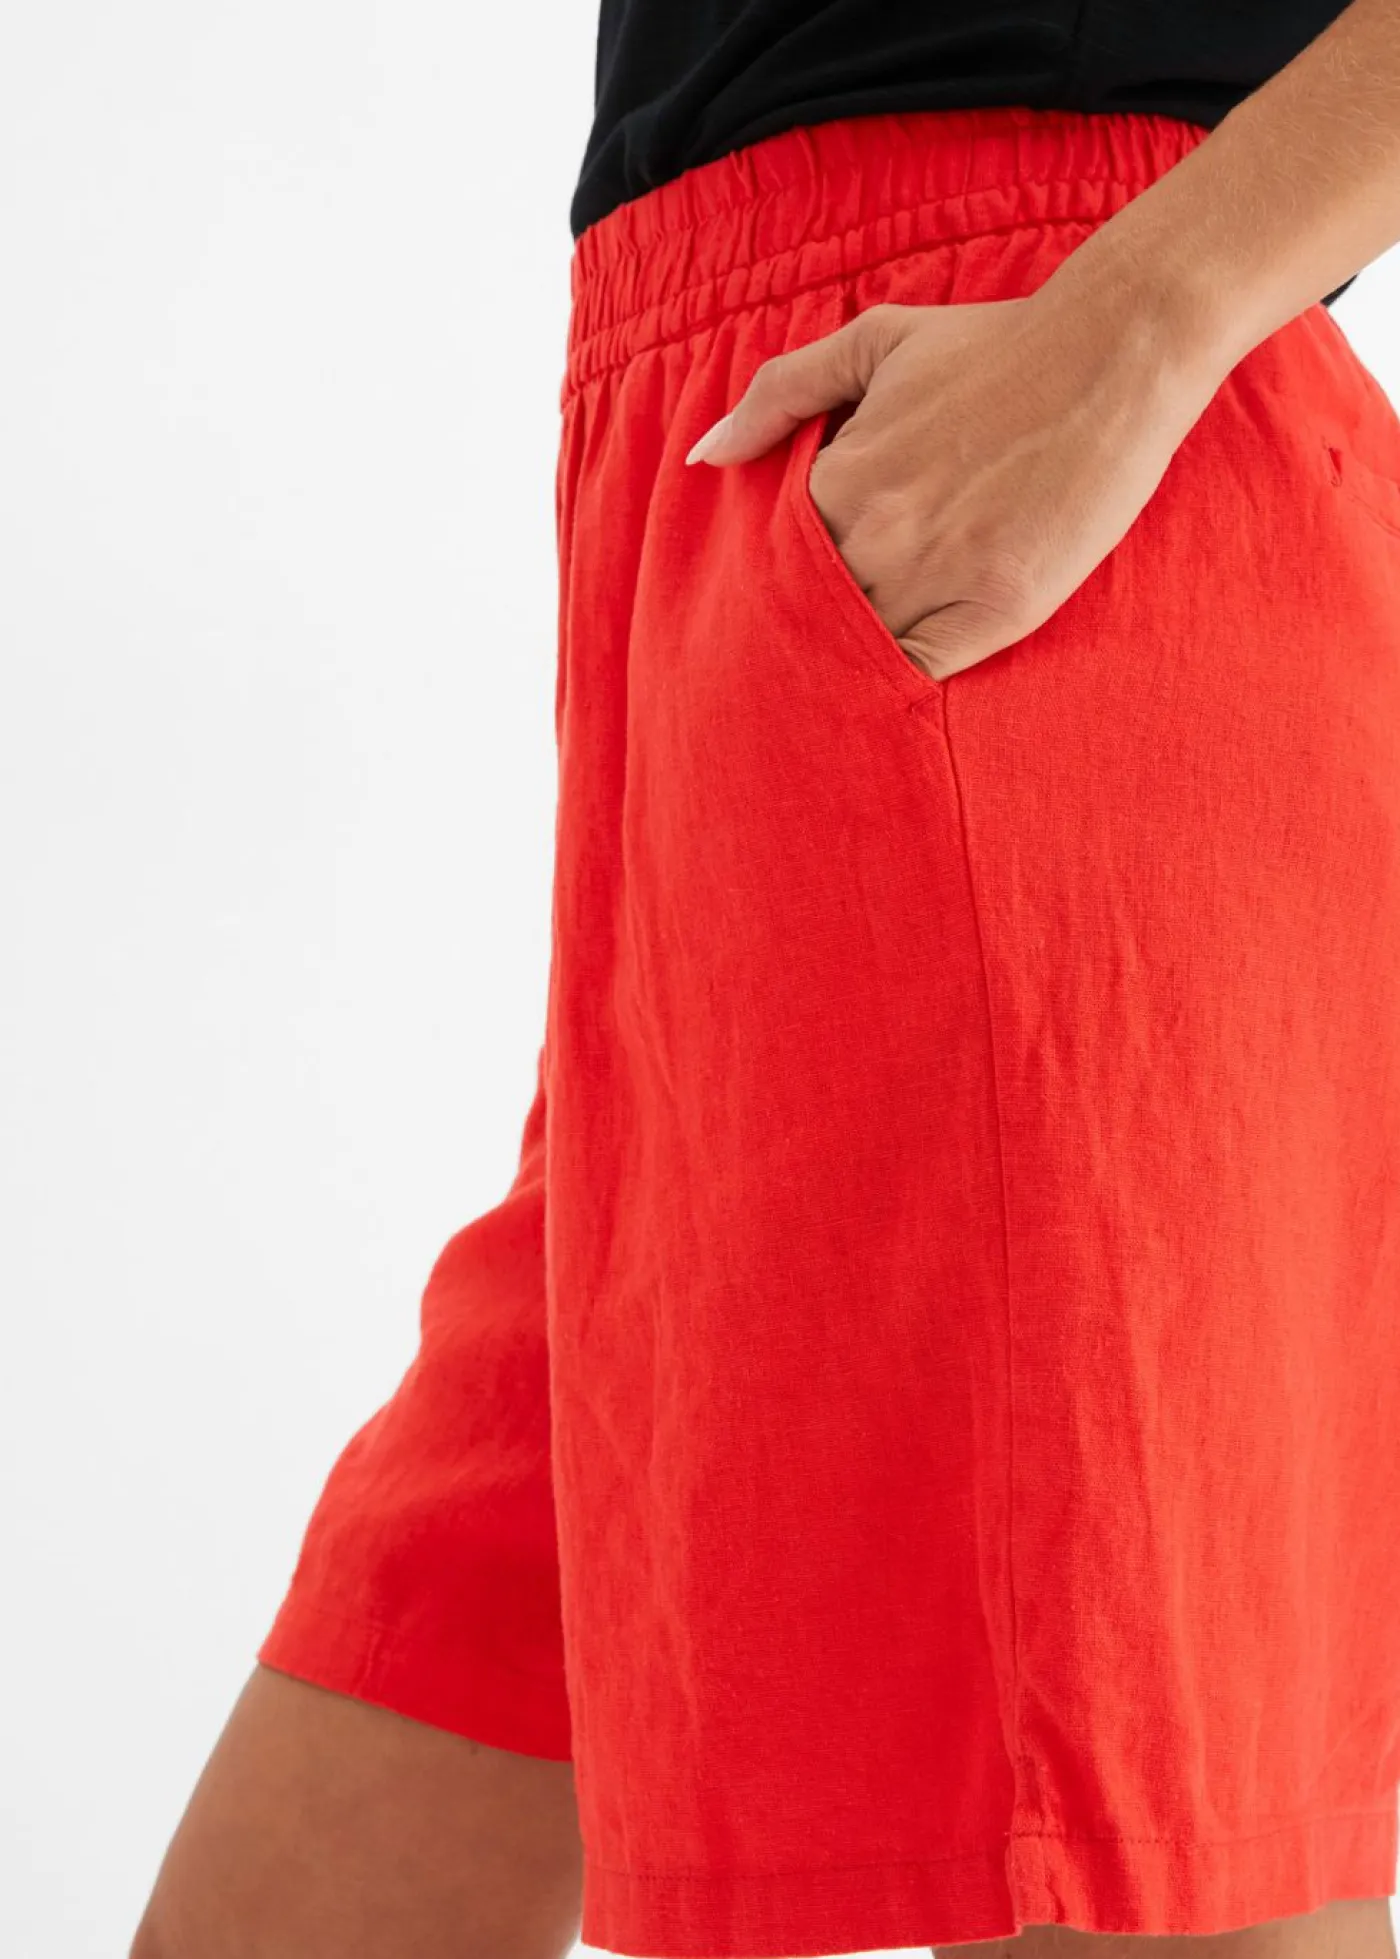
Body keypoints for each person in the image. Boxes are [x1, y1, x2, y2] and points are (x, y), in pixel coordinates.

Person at [131, 2, 1400, 1956]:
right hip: (738, 496)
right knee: (454, 1636)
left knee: (1115, 1832)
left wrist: (1139, 319)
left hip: (1028, 479)